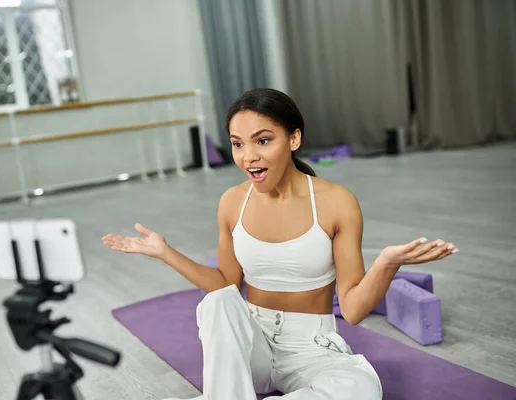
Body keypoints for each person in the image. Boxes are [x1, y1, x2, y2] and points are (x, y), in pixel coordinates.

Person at [102, 88, 459, 400]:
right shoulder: (231, 202)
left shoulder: (336, 202)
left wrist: (386, 263)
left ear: (294, 139)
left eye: (263, 140)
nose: (248, 156)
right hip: (250, 344)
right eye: (237, 144)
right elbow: (226, 284)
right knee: (218, 303)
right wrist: (166, 252)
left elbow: (351, 310)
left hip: (311, 348)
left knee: (361, 388)